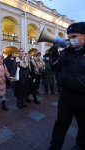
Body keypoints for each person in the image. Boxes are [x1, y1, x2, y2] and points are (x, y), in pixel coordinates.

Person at [47, 22, 85, 150]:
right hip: (66, 97)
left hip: (82, 98)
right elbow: (55, 68)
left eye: (74, 36)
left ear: (84, 36)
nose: (70, 39)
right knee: (60, 125)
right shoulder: (67, 52)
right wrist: (53, 53)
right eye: (69, 37)